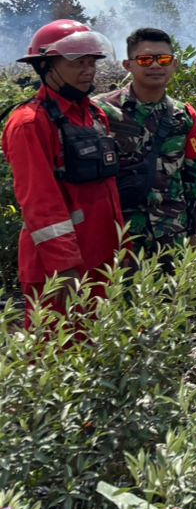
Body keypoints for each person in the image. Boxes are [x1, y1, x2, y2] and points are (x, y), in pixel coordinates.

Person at [4, 20, 123, 321]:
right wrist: (65, 267)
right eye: (77, 62)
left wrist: (123, 250)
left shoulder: (94, 114)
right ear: (46, 66)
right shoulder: (30, 123)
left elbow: (108, 190)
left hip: (102, 256)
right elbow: (40, 203)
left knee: (103, 341)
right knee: (61, 342)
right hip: (58, 268)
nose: (88, 70)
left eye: (91, 62)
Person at [95, 27, 196, 258]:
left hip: (173, 235)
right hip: (120, 237)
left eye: (163, 59)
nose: (155, 65)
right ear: (128, 65)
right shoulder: (101, 112)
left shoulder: (184, 115)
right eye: (145, 60)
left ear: (174, 64)